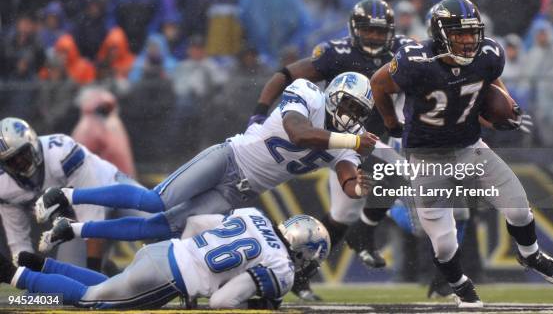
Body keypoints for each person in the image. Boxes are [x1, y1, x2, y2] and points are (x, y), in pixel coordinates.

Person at [36, 72, 378, 254]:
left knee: (156, 229)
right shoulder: (308, 93)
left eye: (358, 113)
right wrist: (352, 141)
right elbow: (299, 133)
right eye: (347, 106)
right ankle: (66, 196)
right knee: (157, 200)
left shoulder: (348, 142)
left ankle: (73, 229)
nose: (350, 116)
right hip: (229, 159)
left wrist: (356, 186)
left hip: (239, 193)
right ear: (332, 95)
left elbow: (347, 174)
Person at [370, 0, 553, 308]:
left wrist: (505, 101)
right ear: (439, 33)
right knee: (445, 244)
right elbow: (378, 84)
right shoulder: (415, 61)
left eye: (471, 32)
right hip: (426, 157)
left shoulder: (487, 53)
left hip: (469, 147)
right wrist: (391, 121)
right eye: (459, 33)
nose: (467, 41)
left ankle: (531, 255)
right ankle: (460, 284)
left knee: (518, 207)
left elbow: (490, 78)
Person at [249, 0, 411, 299]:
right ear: (354, 29)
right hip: (334, 137)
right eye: (368, 30)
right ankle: (297, 265)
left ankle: (353, 239)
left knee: (393, 181)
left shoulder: (405, 52)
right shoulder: (338, 52)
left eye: (380, 31)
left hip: (373, 141)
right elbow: (287, 74)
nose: (374, 37)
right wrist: (260, 109)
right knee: (343, 212)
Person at [0, 208, 330, 310]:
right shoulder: (282, 270)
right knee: (90, 302)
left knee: (107, 285)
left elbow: (198, 223)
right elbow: (220, 303)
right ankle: (13, 275)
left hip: (164, 251)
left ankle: (40, 264)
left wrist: (192, 257)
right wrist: (253, 305)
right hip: (170, 277)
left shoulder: (254, 214)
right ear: (305, 251)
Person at [0, 118, 144, 271]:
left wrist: (93, 272)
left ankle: (103, 270)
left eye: (22, 154)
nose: (20, 162)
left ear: (33, 143)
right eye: (11, 161)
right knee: (71, 282)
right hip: (76, 222)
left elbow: (92, 217)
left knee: (161, 225)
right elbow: (18, 243)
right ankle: (109, 272)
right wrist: (27, 277)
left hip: (113, 189)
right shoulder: (4, 186)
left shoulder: (61, 154)